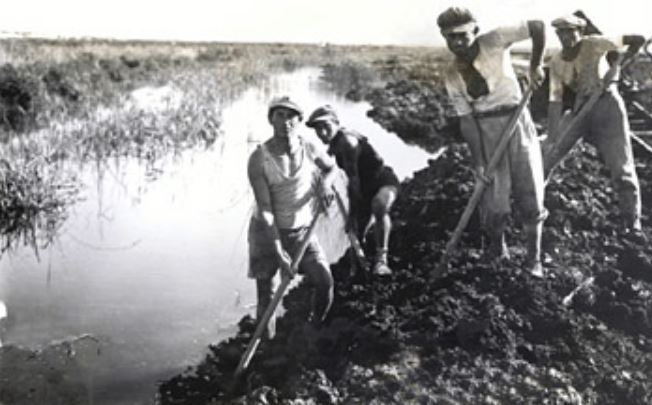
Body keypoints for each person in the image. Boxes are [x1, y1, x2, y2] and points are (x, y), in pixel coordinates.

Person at [437, 7, 548, 277]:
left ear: (475, 31)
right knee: (495, 204)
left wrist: (535, 66)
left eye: (463, 35)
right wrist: (479, 163)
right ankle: (497, 250)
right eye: (451, 37)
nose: (458, 42)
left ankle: (533, 260)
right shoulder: (452, 74)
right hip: (486, 129)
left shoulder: (495, 39)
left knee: (530, 192)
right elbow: (467, 121)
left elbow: (537, 25)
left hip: (517, 118)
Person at [542, 14, 646, 243]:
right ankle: (533, 208)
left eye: (571, 31)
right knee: (548, 158)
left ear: (580, 31)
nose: (567, 36)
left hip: (608, 105)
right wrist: (551, 137)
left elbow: (637, 39)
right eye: (562, 32)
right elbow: (555, 100)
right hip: (581, 109)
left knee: (622, 166)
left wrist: (621, 63)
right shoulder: (557, 62)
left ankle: (632, 222)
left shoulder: (595, 43)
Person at [247, 96, 336, 337]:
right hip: (266, 235)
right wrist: (278, 251)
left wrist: (326, 185)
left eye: (291, 117)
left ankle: (313, 331)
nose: (285, 121)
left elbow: (331, 168)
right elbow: (266, 210)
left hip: (301, 231)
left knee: (325, 281)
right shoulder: (259, 159)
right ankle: (267, 350)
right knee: (267, 296)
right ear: (271, 119)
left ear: (298, 121)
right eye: (280, 115)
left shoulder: (308, 148)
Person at [306, 105, 400, 276]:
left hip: (382, 181)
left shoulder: (347, 142)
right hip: (364, 188)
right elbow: (332, 170)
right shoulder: (333, 147)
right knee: (356, 234)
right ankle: (358, 270)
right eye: (317, 129)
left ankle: (382, 260)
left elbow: (353, 181)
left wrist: (352, 214)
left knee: (378, 206)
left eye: (326, 126)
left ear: (336, 123)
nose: (322, 133)